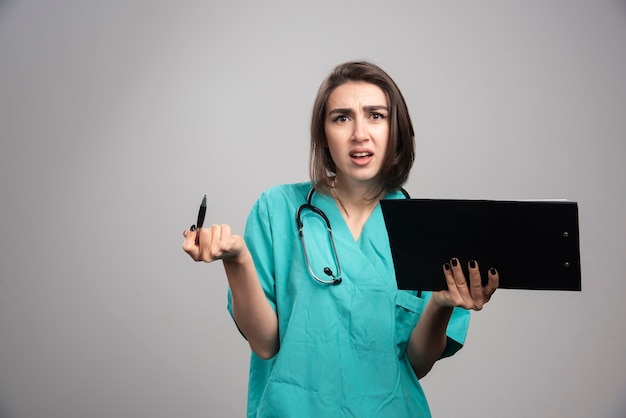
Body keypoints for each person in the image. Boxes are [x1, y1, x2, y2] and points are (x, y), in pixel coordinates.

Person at [183, 61, 499, 417]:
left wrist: (442, 302)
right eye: (342, 117)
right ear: (323, 134)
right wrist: (237, 259)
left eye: (376, 115)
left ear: (397, 130)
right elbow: (265, 343)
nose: (359, 134)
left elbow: (416, 364)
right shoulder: (277, 209)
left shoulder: (426, 229)